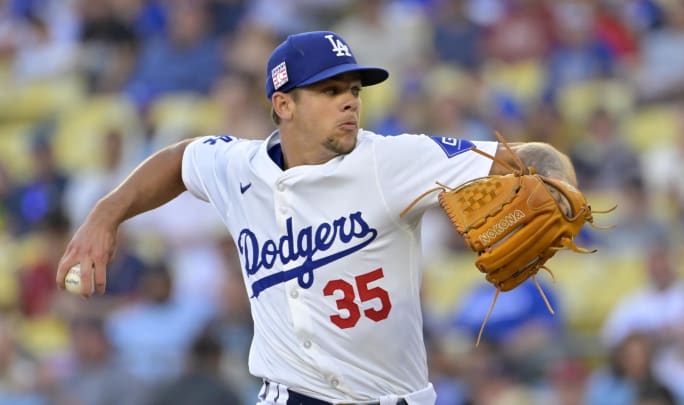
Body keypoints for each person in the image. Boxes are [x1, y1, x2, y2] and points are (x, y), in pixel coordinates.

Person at [56, 30, 580, 405]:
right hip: (287, 393)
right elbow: (181, 158)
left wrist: (561, 190)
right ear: (283, 104)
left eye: (354, 90)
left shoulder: (391, 160)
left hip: (394, 396)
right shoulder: (239, 167)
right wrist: (105, 214)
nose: (350, 103)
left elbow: (530, 155)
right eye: (330, 92)